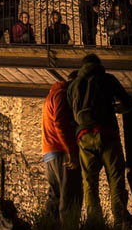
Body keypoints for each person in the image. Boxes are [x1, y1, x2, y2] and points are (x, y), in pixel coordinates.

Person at [67, 53, 132, 228]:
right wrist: (116, 109)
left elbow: (71, 117)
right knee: (116, 178)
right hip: (107, 133)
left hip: (84, 137)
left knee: (89, 183)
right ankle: (119, 221)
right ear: (98, 64)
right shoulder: (108, 79)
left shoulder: (73, 85)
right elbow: (128, 102)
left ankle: (94, 222)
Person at [42, 71, 83, 227]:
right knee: (70, 196)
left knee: (55, 197)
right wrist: (71, 151)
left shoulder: (51, 95)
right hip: (61, 152)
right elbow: (60, 124)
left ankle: (48, 226)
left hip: (49, 153)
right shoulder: (62, 96)